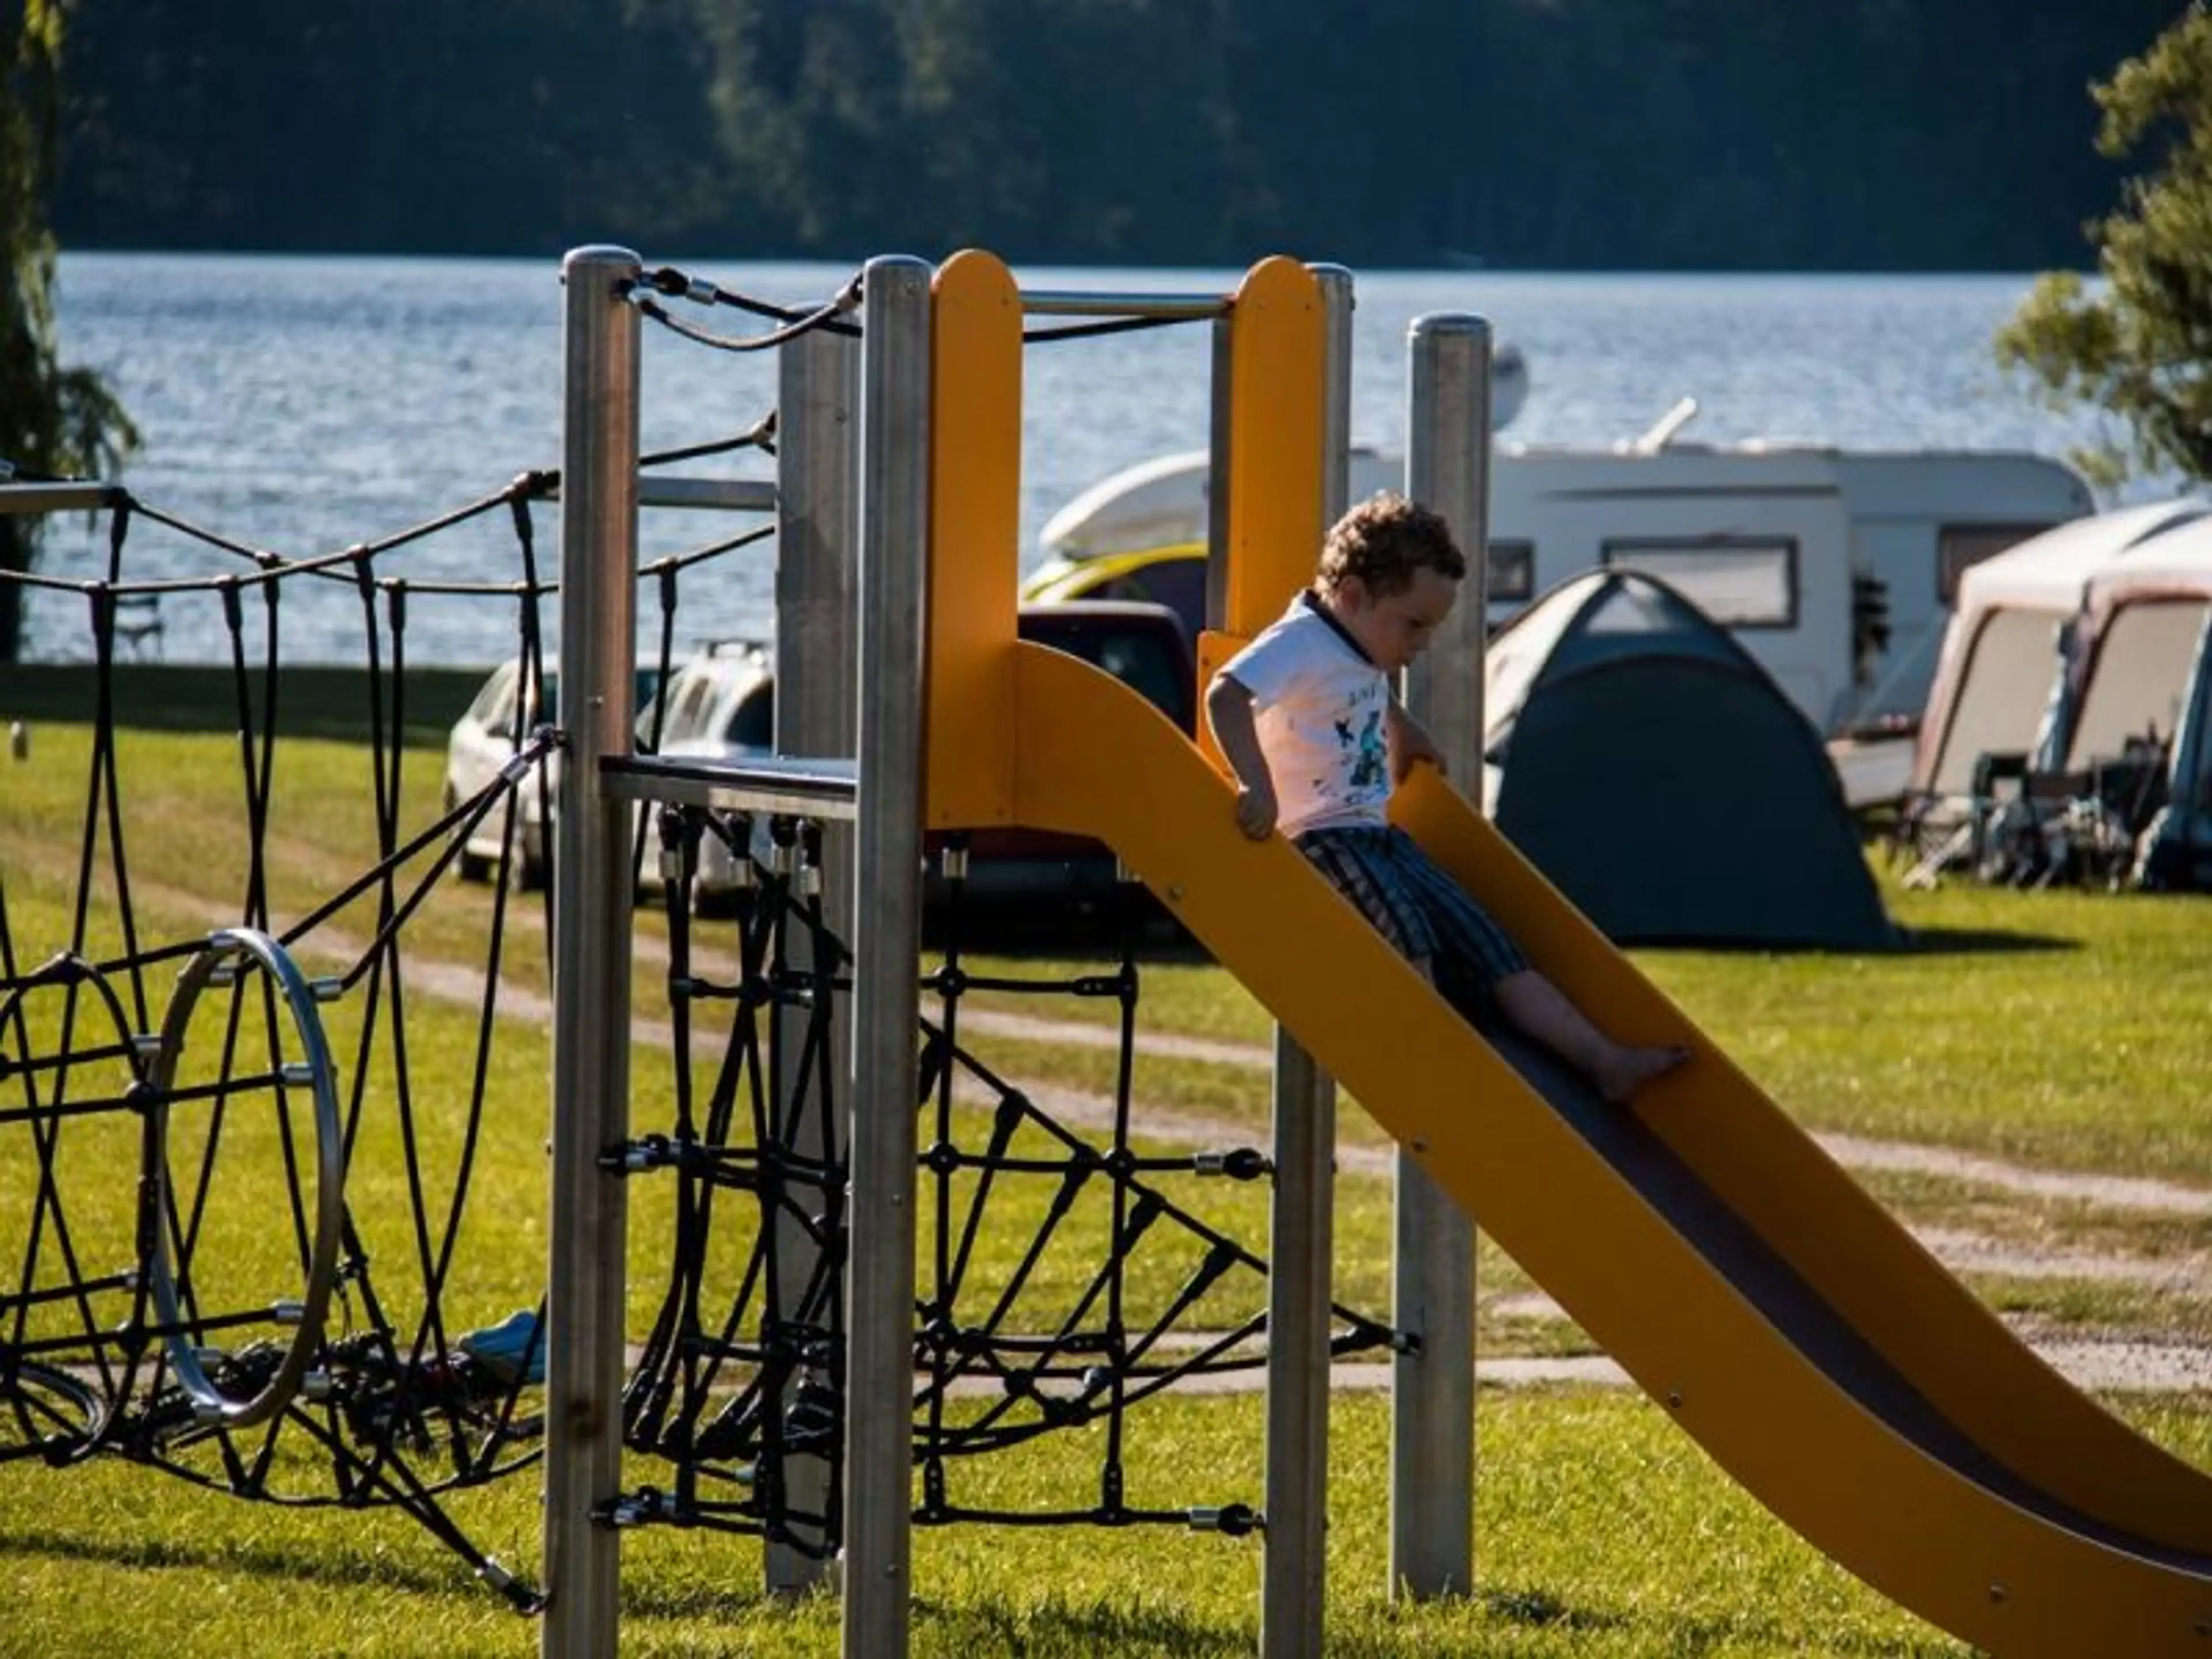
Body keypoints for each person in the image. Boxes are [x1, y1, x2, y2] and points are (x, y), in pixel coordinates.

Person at [1204, 491, 1687, 1104]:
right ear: (1352, 596)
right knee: (1406, 932)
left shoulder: (1354, 644)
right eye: (1414, 624)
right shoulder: (1300, 640)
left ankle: (1601, 1060)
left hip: (1375, 833)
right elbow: (1226, 695)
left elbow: (1361, 691)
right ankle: (1436, 1064)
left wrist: (1404, 728)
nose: (1424, 641)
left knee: (1487, 939)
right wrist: (1256, 783)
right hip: (1321, 838)